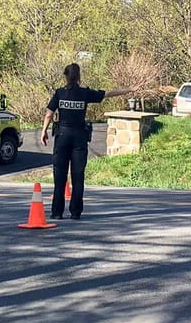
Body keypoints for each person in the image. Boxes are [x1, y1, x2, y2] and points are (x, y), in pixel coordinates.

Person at [41, 63, 141, 220]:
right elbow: (108, 94)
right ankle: (75, 212)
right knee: (78, 175)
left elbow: (49, 114)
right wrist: (129, 89)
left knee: (59, 175)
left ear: (65, 76)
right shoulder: (85, 93)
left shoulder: (60, 93)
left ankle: (57, 212)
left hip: (62, 136)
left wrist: (44, 131)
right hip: (79, 137)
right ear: (79, 77)